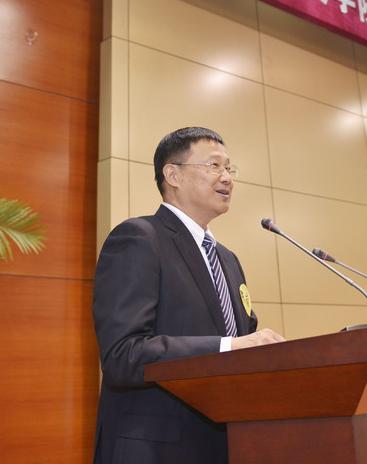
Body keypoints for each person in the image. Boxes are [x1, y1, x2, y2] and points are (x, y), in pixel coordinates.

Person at [92, 126, 284, 463]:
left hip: (229, 444)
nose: (227, 178)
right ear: (173, 175)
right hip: (157, 448)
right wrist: (228, 347)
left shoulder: (227, 259)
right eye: (214, 166)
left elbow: (244, 340)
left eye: (229, 168)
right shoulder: (139, 238)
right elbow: (123, 355)